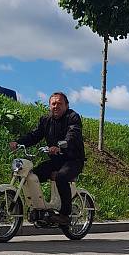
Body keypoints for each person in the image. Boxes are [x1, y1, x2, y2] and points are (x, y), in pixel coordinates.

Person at [10, 91, 85, 224]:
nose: (56, 106)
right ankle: (40, 208)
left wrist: (60, 145)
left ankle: (65, 214)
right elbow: (35, 135)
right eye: (53, 103)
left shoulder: (73, 117)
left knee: (61, 177)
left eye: (59, 104)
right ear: (49, 106)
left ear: (66, 105)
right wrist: (19, 142)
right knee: (33, 175)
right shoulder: (45, 120)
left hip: (73, 160)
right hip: (56, 160)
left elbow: (73, 134)